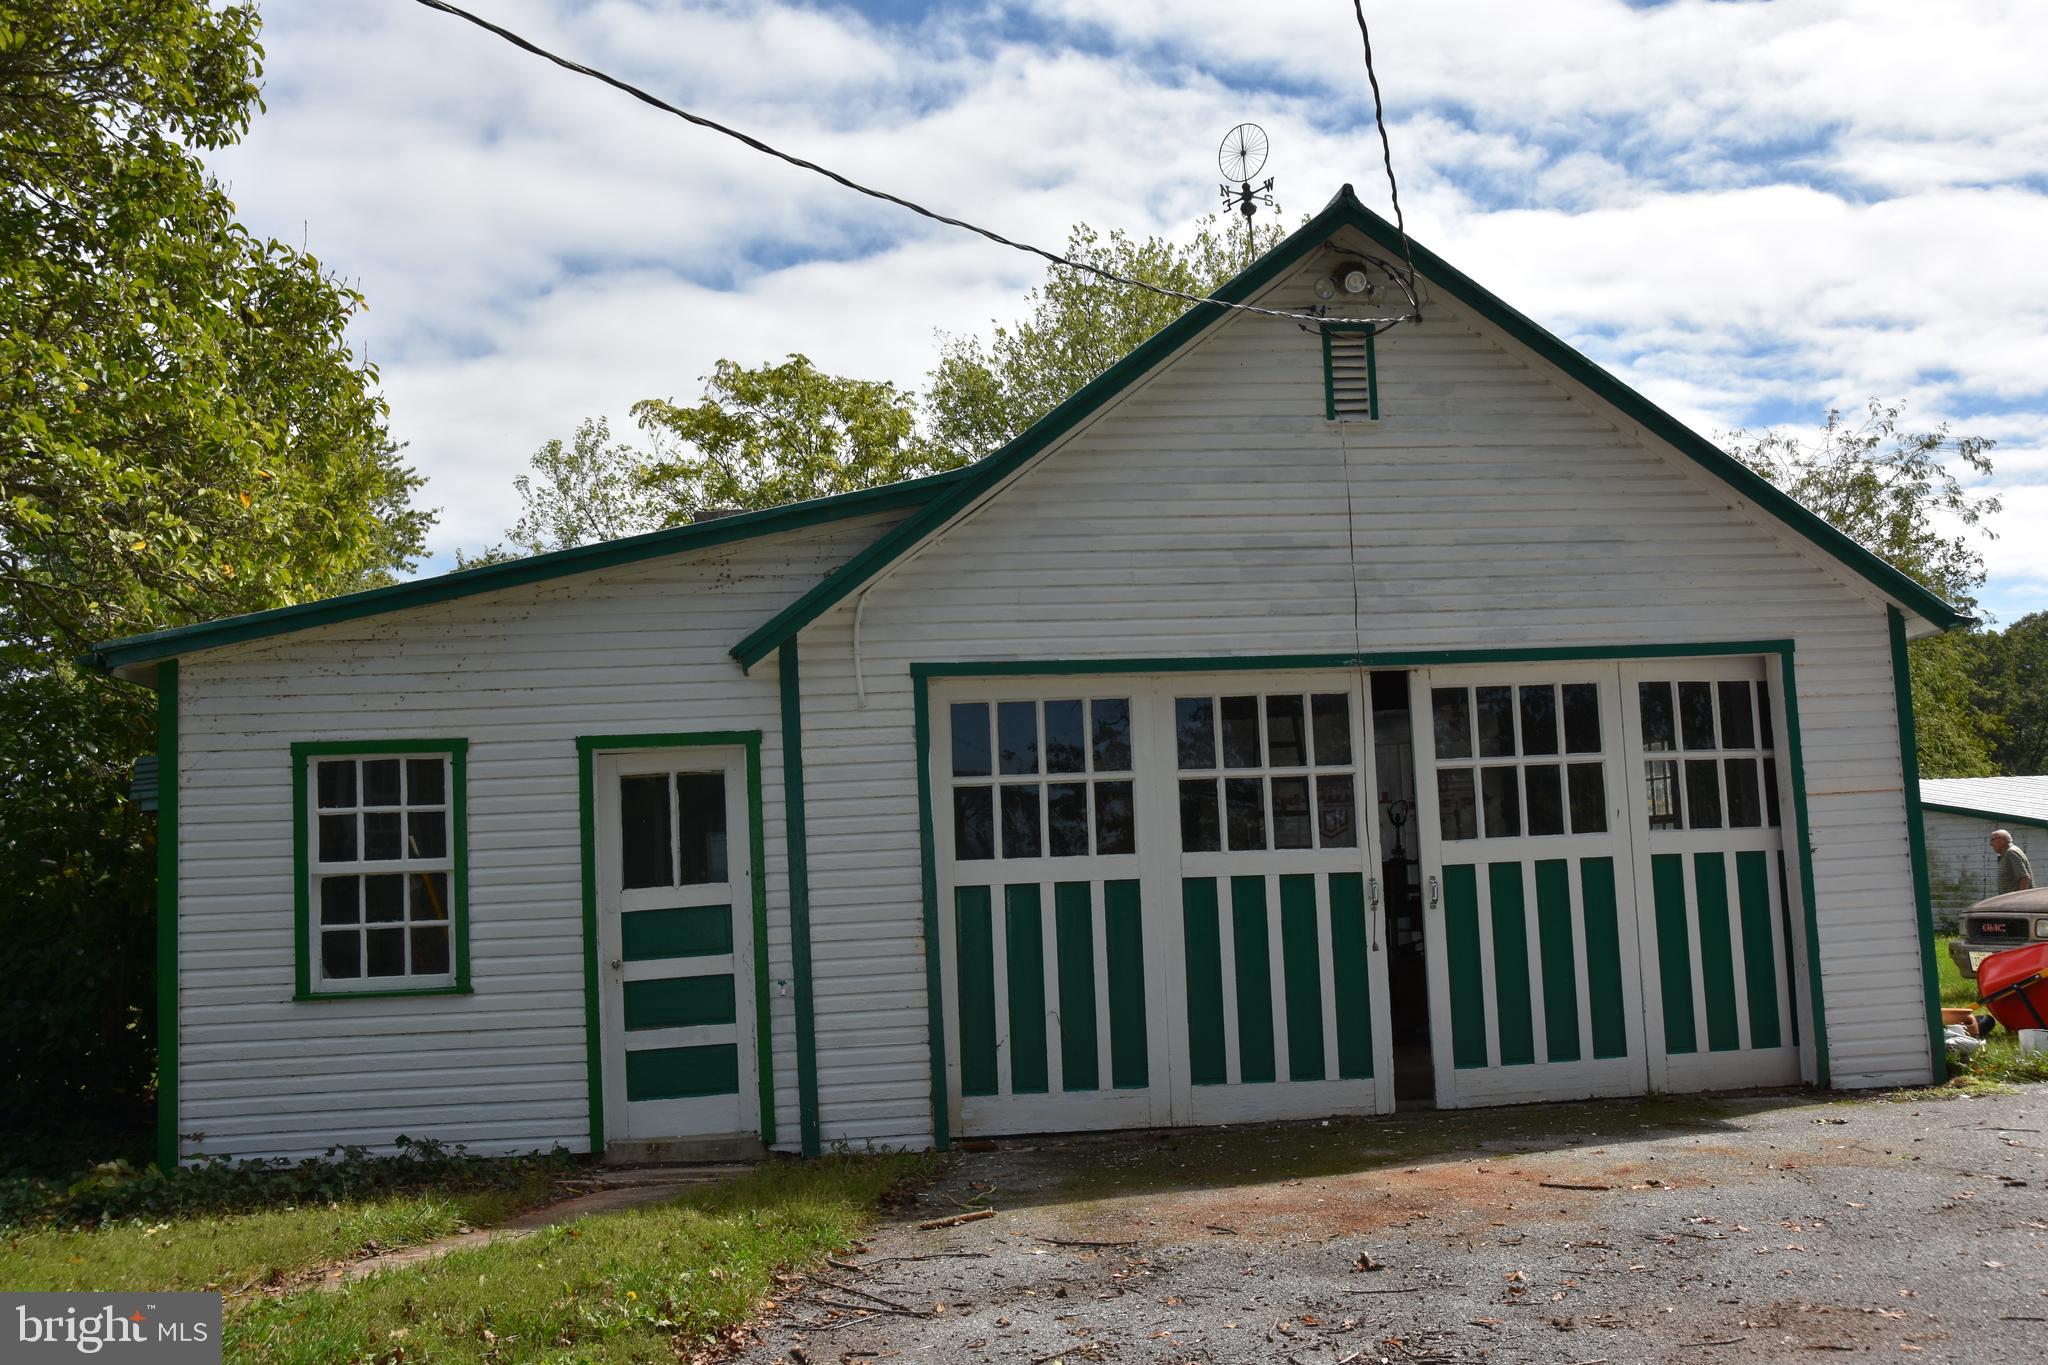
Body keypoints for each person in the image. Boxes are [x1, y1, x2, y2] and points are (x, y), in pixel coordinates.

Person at [1990, 829, 2034, 895]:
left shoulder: (2011, 853)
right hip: (2010, 899)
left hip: (2016, 900)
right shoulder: (2006, 854)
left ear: (2002, 840)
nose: (1991, 844)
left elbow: (2024, 878)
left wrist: (2019, 898)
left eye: (1992, 840)